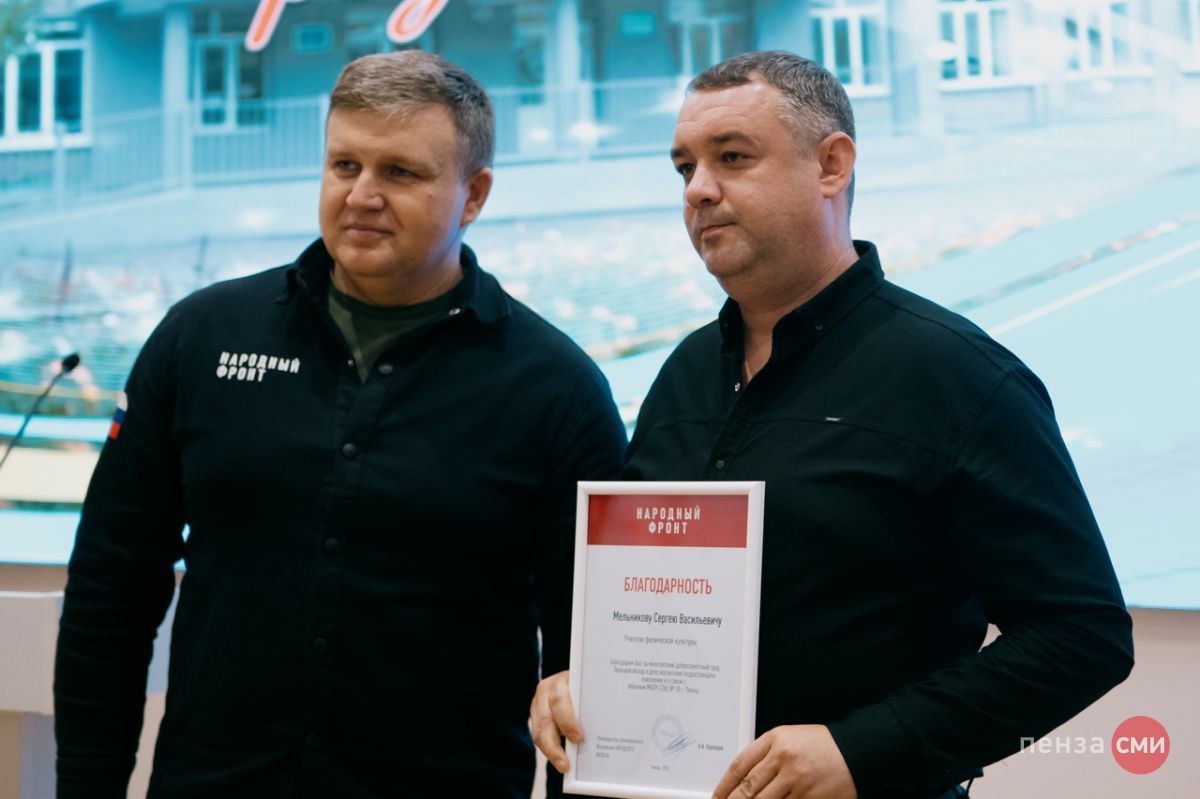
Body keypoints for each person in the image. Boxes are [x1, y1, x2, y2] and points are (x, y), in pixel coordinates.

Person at [531, 51, 1133, 799]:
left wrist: (862, 750)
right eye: (684, 167)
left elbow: (1082, 637)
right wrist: (577, 675)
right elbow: (636, 594)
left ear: (831, 165)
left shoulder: (959, 375)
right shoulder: (684, 371)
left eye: (732, 158)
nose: (698, 190)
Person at [55, 51, 626, 799]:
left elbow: (589, 663)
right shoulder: (201, 337)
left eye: (400, 172)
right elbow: (112, 587)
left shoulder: (556, 388)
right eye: (344, 165)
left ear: (474, 194)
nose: (362, 195)